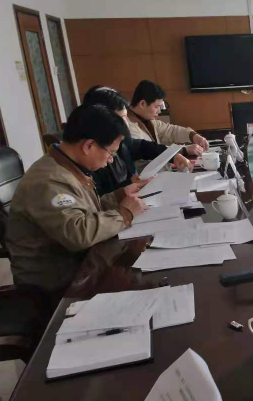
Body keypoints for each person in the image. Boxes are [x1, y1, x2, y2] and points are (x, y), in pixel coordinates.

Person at [6, 104, 148, 293]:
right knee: (139, 284)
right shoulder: (48, 180)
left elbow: (86, 210)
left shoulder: (69, 167)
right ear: (88, 145)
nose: (111, 160)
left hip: (80, 265)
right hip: (53, 285)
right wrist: (125, 214)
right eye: (111, 153)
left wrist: (120, 195)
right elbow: (78, 233)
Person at [82, 86, 192, 195]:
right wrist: (127, 187)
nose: (126, 124)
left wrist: (172, 155)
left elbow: (141, 146)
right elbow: (100, 198)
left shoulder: (120, 140)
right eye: (121, 118)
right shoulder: (92, 157)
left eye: (126, 117)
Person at [127, 80, 208, 155]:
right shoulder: (128, 126)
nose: (159, 111)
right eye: (156, 106)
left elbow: (171, 131)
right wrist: (184, 150)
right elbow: (148, 152)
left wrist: (192, 136)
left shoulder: (148, 120)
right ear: (142, 104)